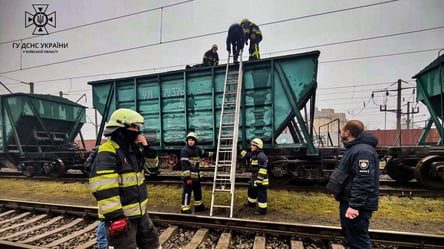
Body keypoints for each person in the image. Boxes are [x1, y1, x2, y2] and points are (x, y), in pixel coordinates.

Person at [89, 108, 161, 249]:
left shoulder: (132, 149)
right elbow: (104, 188)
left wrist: (147, 148)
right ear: (121, 128)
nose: (137, 131)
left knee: (152, 244)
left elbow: (152, 170)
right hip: (122, 217)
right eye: (134, 127)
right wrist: (116, 217)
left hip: (140, 212)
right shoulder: (108, 150)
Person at [326, 120, 380, 249]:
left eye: (341, 130)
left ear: (347, 133)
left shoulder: (363, 152)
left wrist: (355, 206)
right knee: (351, 236)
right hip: (349, 201)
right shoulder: (355, 148)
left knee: (358, 241)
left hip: (356, 205)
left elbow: (364, 180)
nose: (340, 132)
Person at [180, 132, 214, 214]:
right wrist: (188, 178)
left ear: (195, 141)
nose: (191, 141)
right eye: (189, 140)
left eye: (192, 140)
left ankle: (199, 206)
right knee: (187, 193)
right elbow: (185, 165)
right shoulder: (185, 150)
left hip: (196, 177)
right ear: (187, 141)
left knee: (198, 192)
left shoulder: (197, 149)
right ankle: (184, 208)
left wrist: (214, 153)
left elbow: (205, 153)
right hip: (189, 178)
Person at [240, 138, 269, 215]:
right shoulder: (254, 154)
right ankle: (251, 204)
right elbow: (245, 154)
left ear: (257, 146)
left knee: (261, 194)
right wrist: (239, 147)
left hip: (261, 178)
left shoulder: (261, 156)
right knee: (251, 190)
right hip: (254, 177)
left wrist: (259, 180)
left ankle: (262, 210)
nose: (251, 147)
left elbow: (263, 169)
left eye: (253, 145)